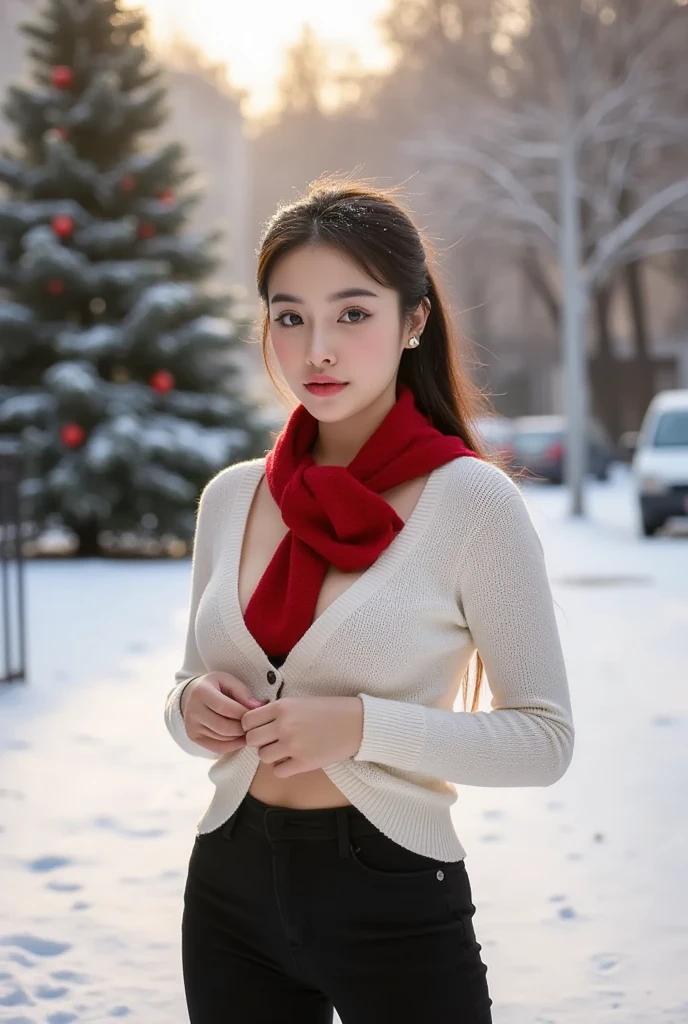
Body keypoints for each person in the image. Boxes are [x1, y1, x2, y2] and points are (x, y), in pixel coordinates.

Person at [164, 177, 575, 1024]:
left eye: (352, 313)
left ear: (413, 319)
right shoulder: (232, 498)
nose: (318, 349)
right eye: (290, 316)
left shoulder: (472, 503)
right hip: (229, 887)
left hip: (392, 897)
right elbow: (185, 690)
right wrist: (190, 708)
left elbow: (544, 740)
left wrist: (359, 726)